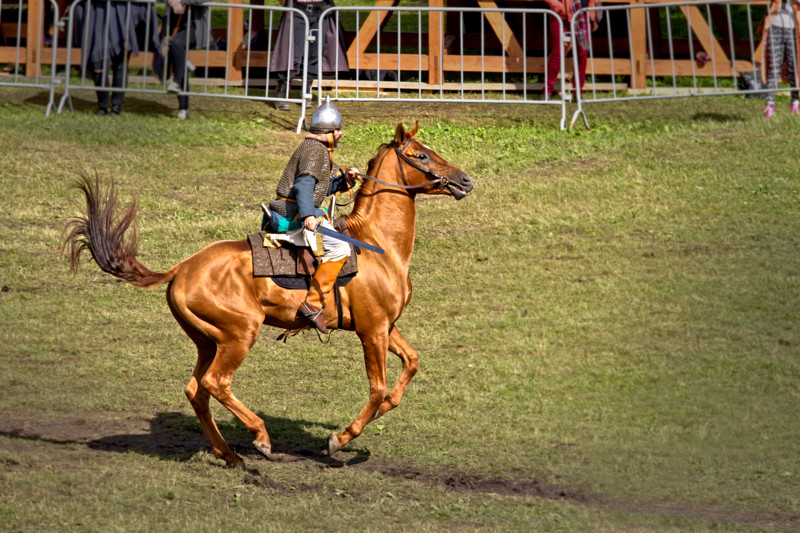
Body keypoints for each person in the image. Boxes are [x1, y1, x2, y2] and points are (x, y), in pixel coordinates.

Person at [265, 97, 359, 333]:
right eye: (337, 130)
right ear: (327, 132)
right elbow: (303, 186)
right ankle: (313, 303)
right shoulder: (315, 150)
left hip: (304, 207)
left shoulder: (317, 149)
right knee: (340, 248)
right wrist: (307, 214)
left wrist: (344, 180)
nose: (341, 134)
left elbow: (319, 189)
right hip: (294, 212)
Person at [74, 0, 159, 116]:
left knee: (120, 64)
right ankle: (103, 105)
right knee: (98, 62)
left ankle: (116, 106)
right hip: (98, 12)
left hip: (123, 13)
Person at [268, 0, 349, 111]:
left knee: (314, 55)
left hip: (321, 9)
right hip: (298, 9)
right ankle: (281, 94)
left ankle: (306, 94)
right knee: (292, 54)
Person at [162, 0, 212, 120]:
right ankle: (184, 109)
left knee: (176, 44)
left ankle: (177, 82)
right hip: (175, 28)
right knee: (179, 61)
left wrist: (180, 1)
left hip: (196, 28)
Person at [542, 0, 600, 100]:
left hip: (583, 14)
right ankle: (547, 89)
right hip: (561, 15)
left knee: (582, 54)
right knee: (558, 54)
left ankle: (578, 91)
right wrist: (557, 5)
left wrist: (592, 7)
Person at [759, 0, 800, 118]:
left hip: (794, 28)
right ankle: (770, 103)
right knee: (773, 66)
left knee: (795, 66)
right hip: (774, 26)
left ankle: (795, 101)